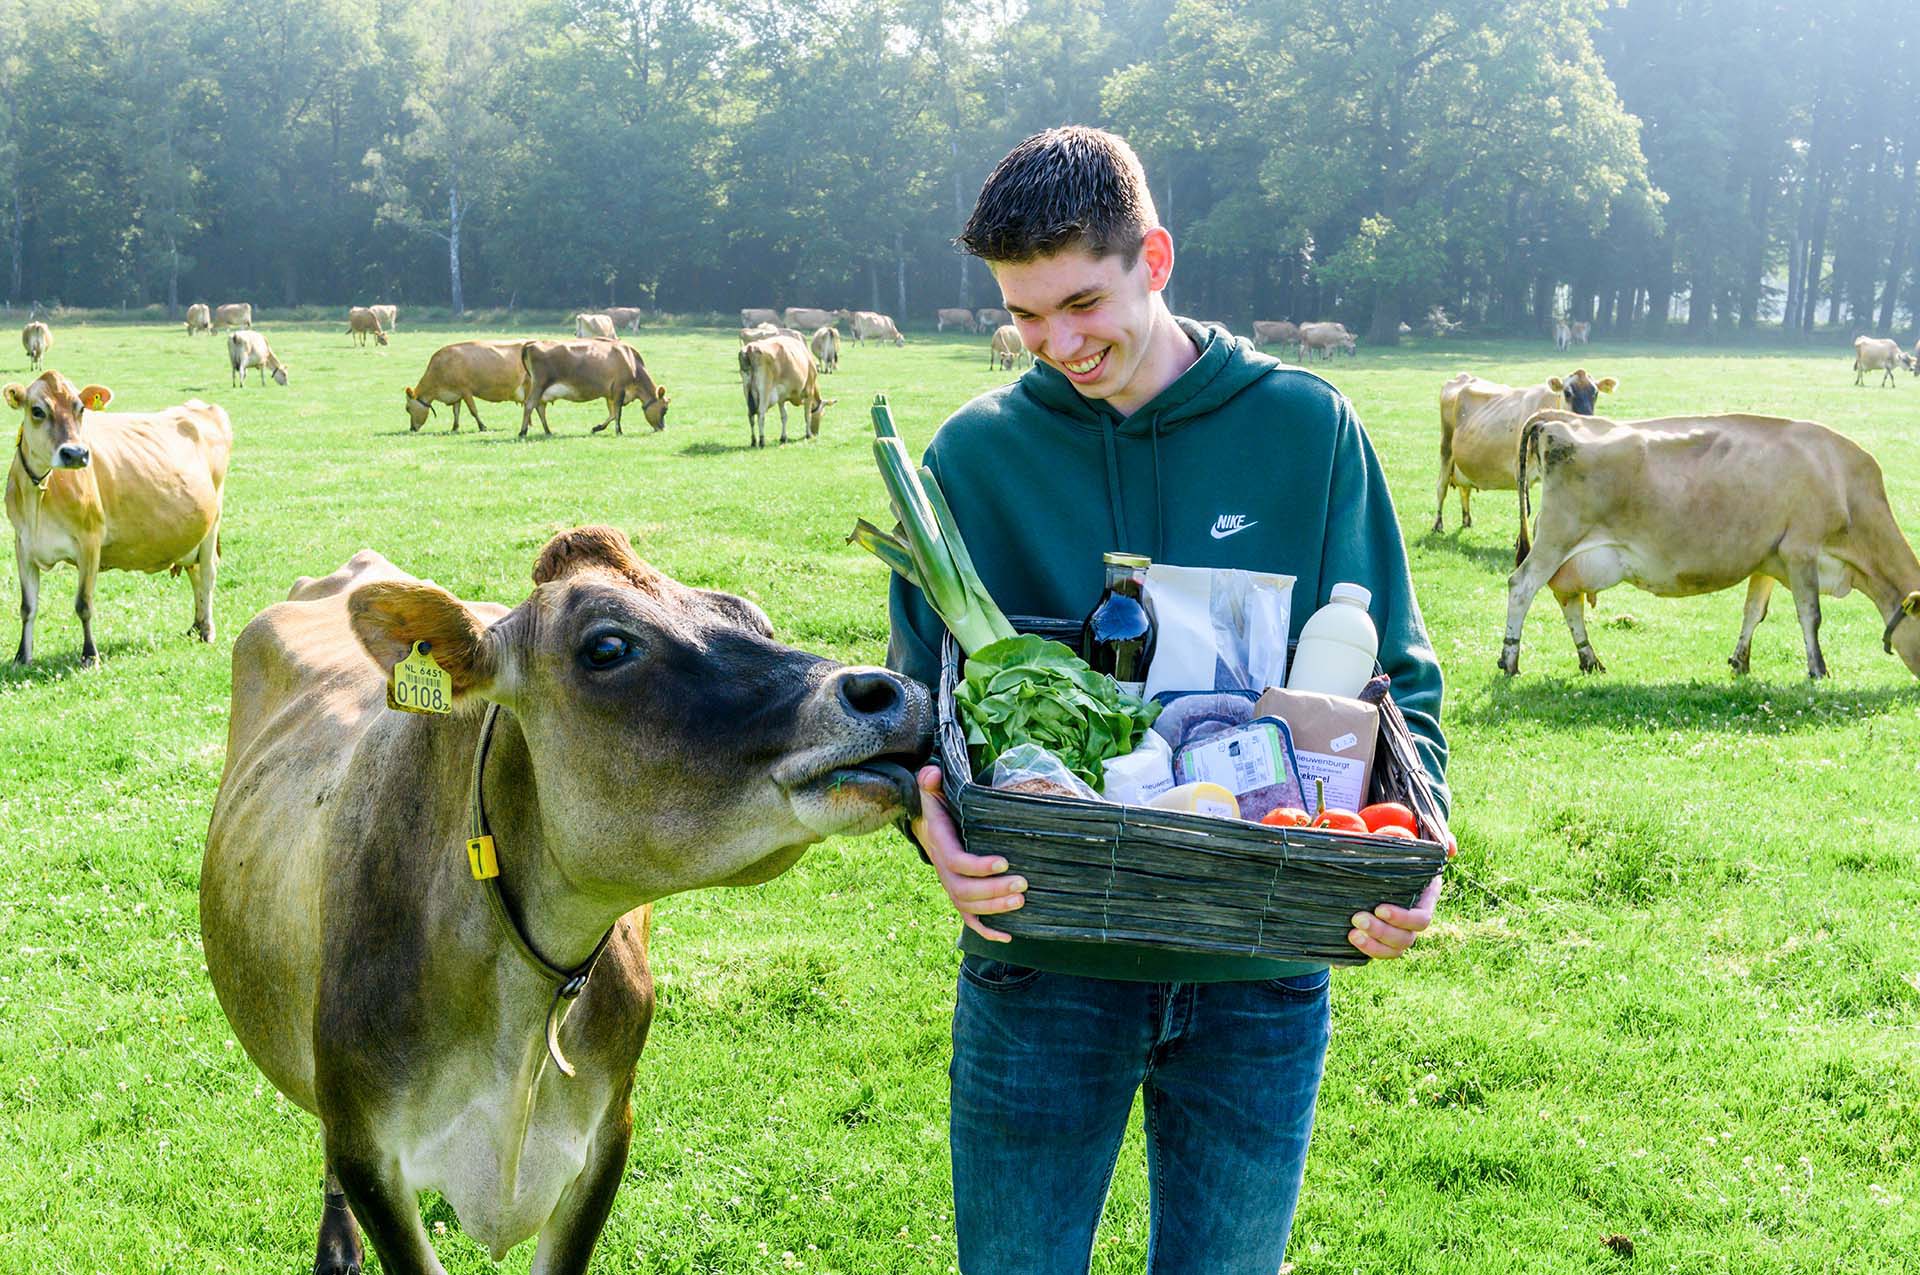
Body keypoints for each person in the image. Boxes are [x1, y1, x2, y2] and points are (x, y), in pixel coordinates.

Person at [885, 126, 1449, 1274]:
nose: (1056, 344)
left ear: (1156, 256)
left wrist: (1414, 858)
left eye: (1081, 303)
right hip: (1044, 962)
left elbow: (1401, 678)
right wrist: (926, 824)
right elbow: (918, 706)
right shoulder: (974, 457)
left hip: (1261, 969)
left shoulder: (1305, 427)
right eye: (1025, 315)